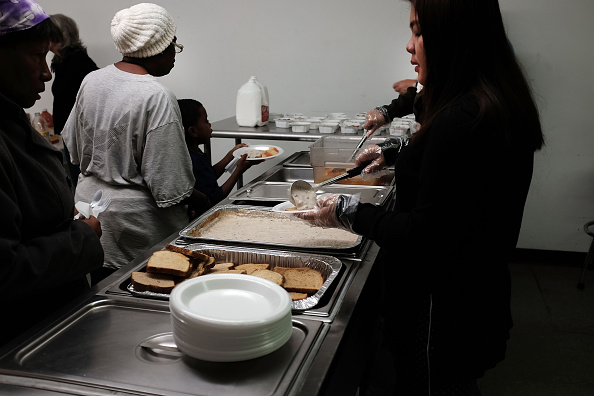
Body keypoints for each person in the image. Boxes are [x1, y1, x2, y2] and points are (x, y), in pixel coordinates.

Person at [297, 0, 544, 394]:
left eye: (418, 31)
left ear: (453, 37)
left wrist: (348, 212)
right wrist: (395, 152)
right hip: (477, 297)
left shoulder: (462, 122)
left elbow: (425, 234)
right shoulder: (488, 101)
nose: (409, 47)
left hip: (441, 314)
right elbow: (460, 189)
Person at [62, 3, 210, 280]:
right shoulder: (156, 95)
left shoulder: (92, 80)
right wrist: (202, 200)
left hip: (93, 217)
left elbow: (72, 144)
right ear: (158, 46)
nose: (175, 51)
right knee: (146, 299)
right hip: (139, 230)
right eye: (173, 43)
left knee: (105, 301)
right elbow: (169, 185)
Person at [0, 0, 103, 345]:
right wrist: (82, 237)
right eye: (36, 56)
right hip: (23, 340)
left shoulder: (11, 118)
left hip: (47, 329)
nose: (46, 72)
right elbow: (6, 271)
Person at [177, 99, 261, 219]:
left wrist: (231, 155)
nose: (210, 125)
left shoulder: (193, 152)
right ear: (193, 131)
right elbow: (216, 197)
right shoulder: (193, 160)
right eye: (206, 121)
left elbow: (209, 175)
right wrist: (239, 170)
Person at [49, 13, 98, 188]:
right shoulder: (60, 63)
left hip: (82, 140)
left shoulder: (78, 63)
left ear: (57, 35)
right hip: (72, 137)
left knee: (85, 185)